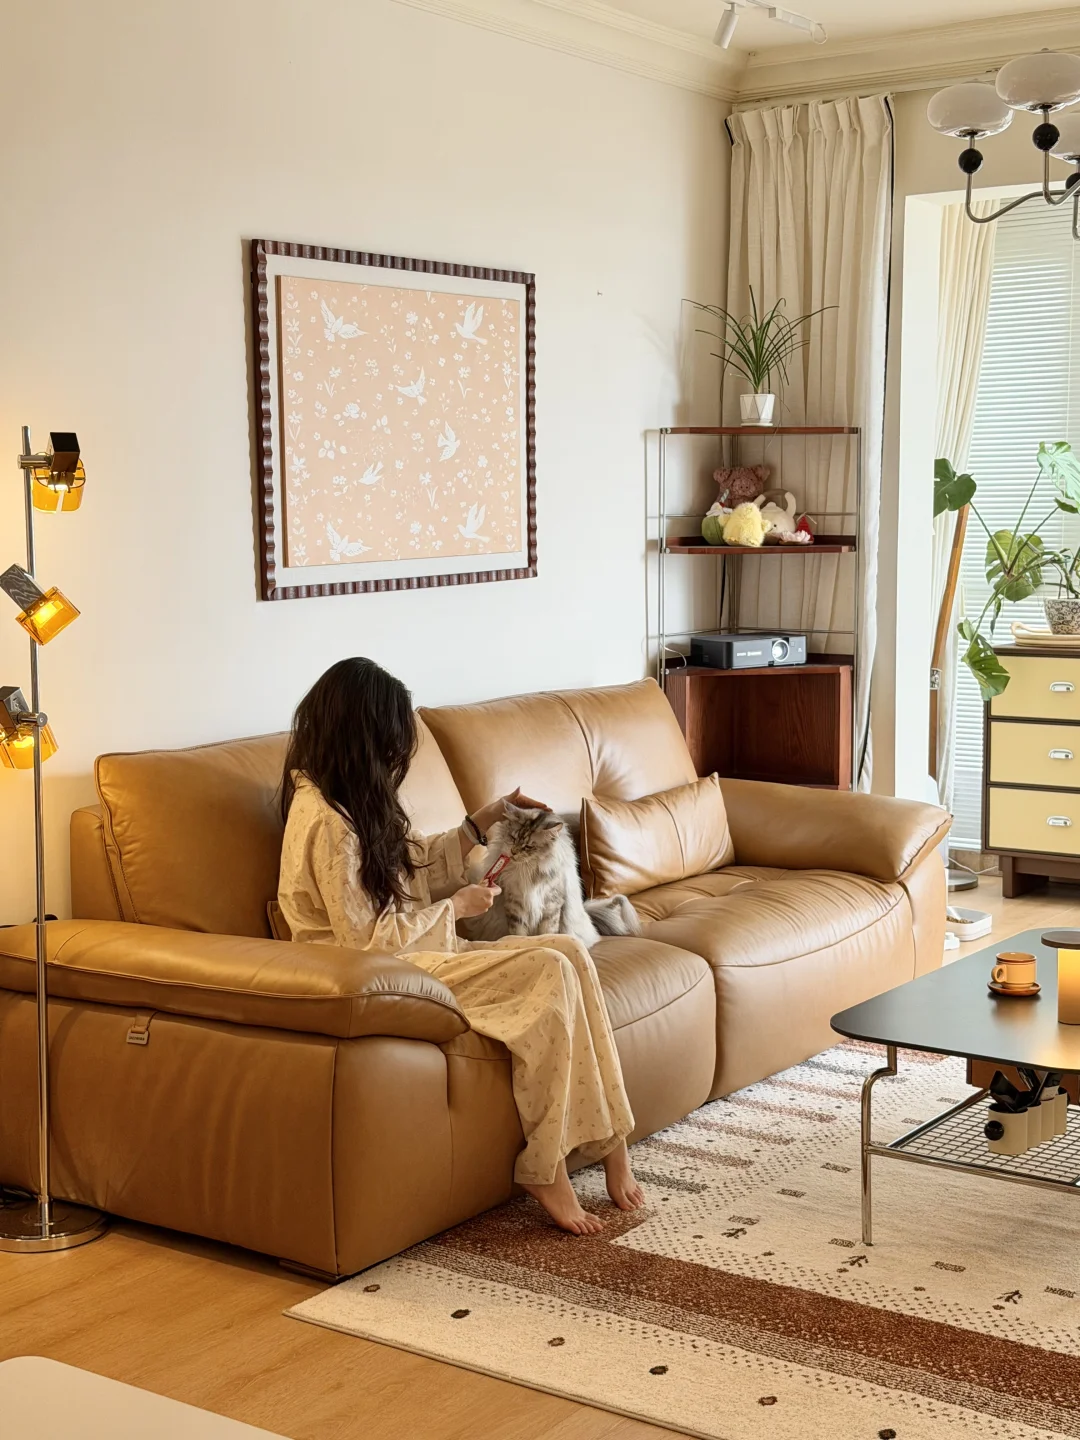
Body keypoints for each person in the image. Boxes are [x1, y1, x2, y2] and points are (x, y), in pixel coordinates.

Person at [277, 656, 643, 1235]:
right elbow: (363, 941)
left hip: (408, 956)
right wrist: (456, 909)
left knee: (569, 952)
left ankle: (613, 1143)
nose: (395, 759)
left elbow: (409, 867)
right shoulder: (326, 822)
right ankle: (545, 1167)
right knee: (549, 970)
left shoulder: (347, 800)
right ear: (361, 737)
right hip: (372, 975)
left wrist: (483, 820)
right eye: (389, 745)